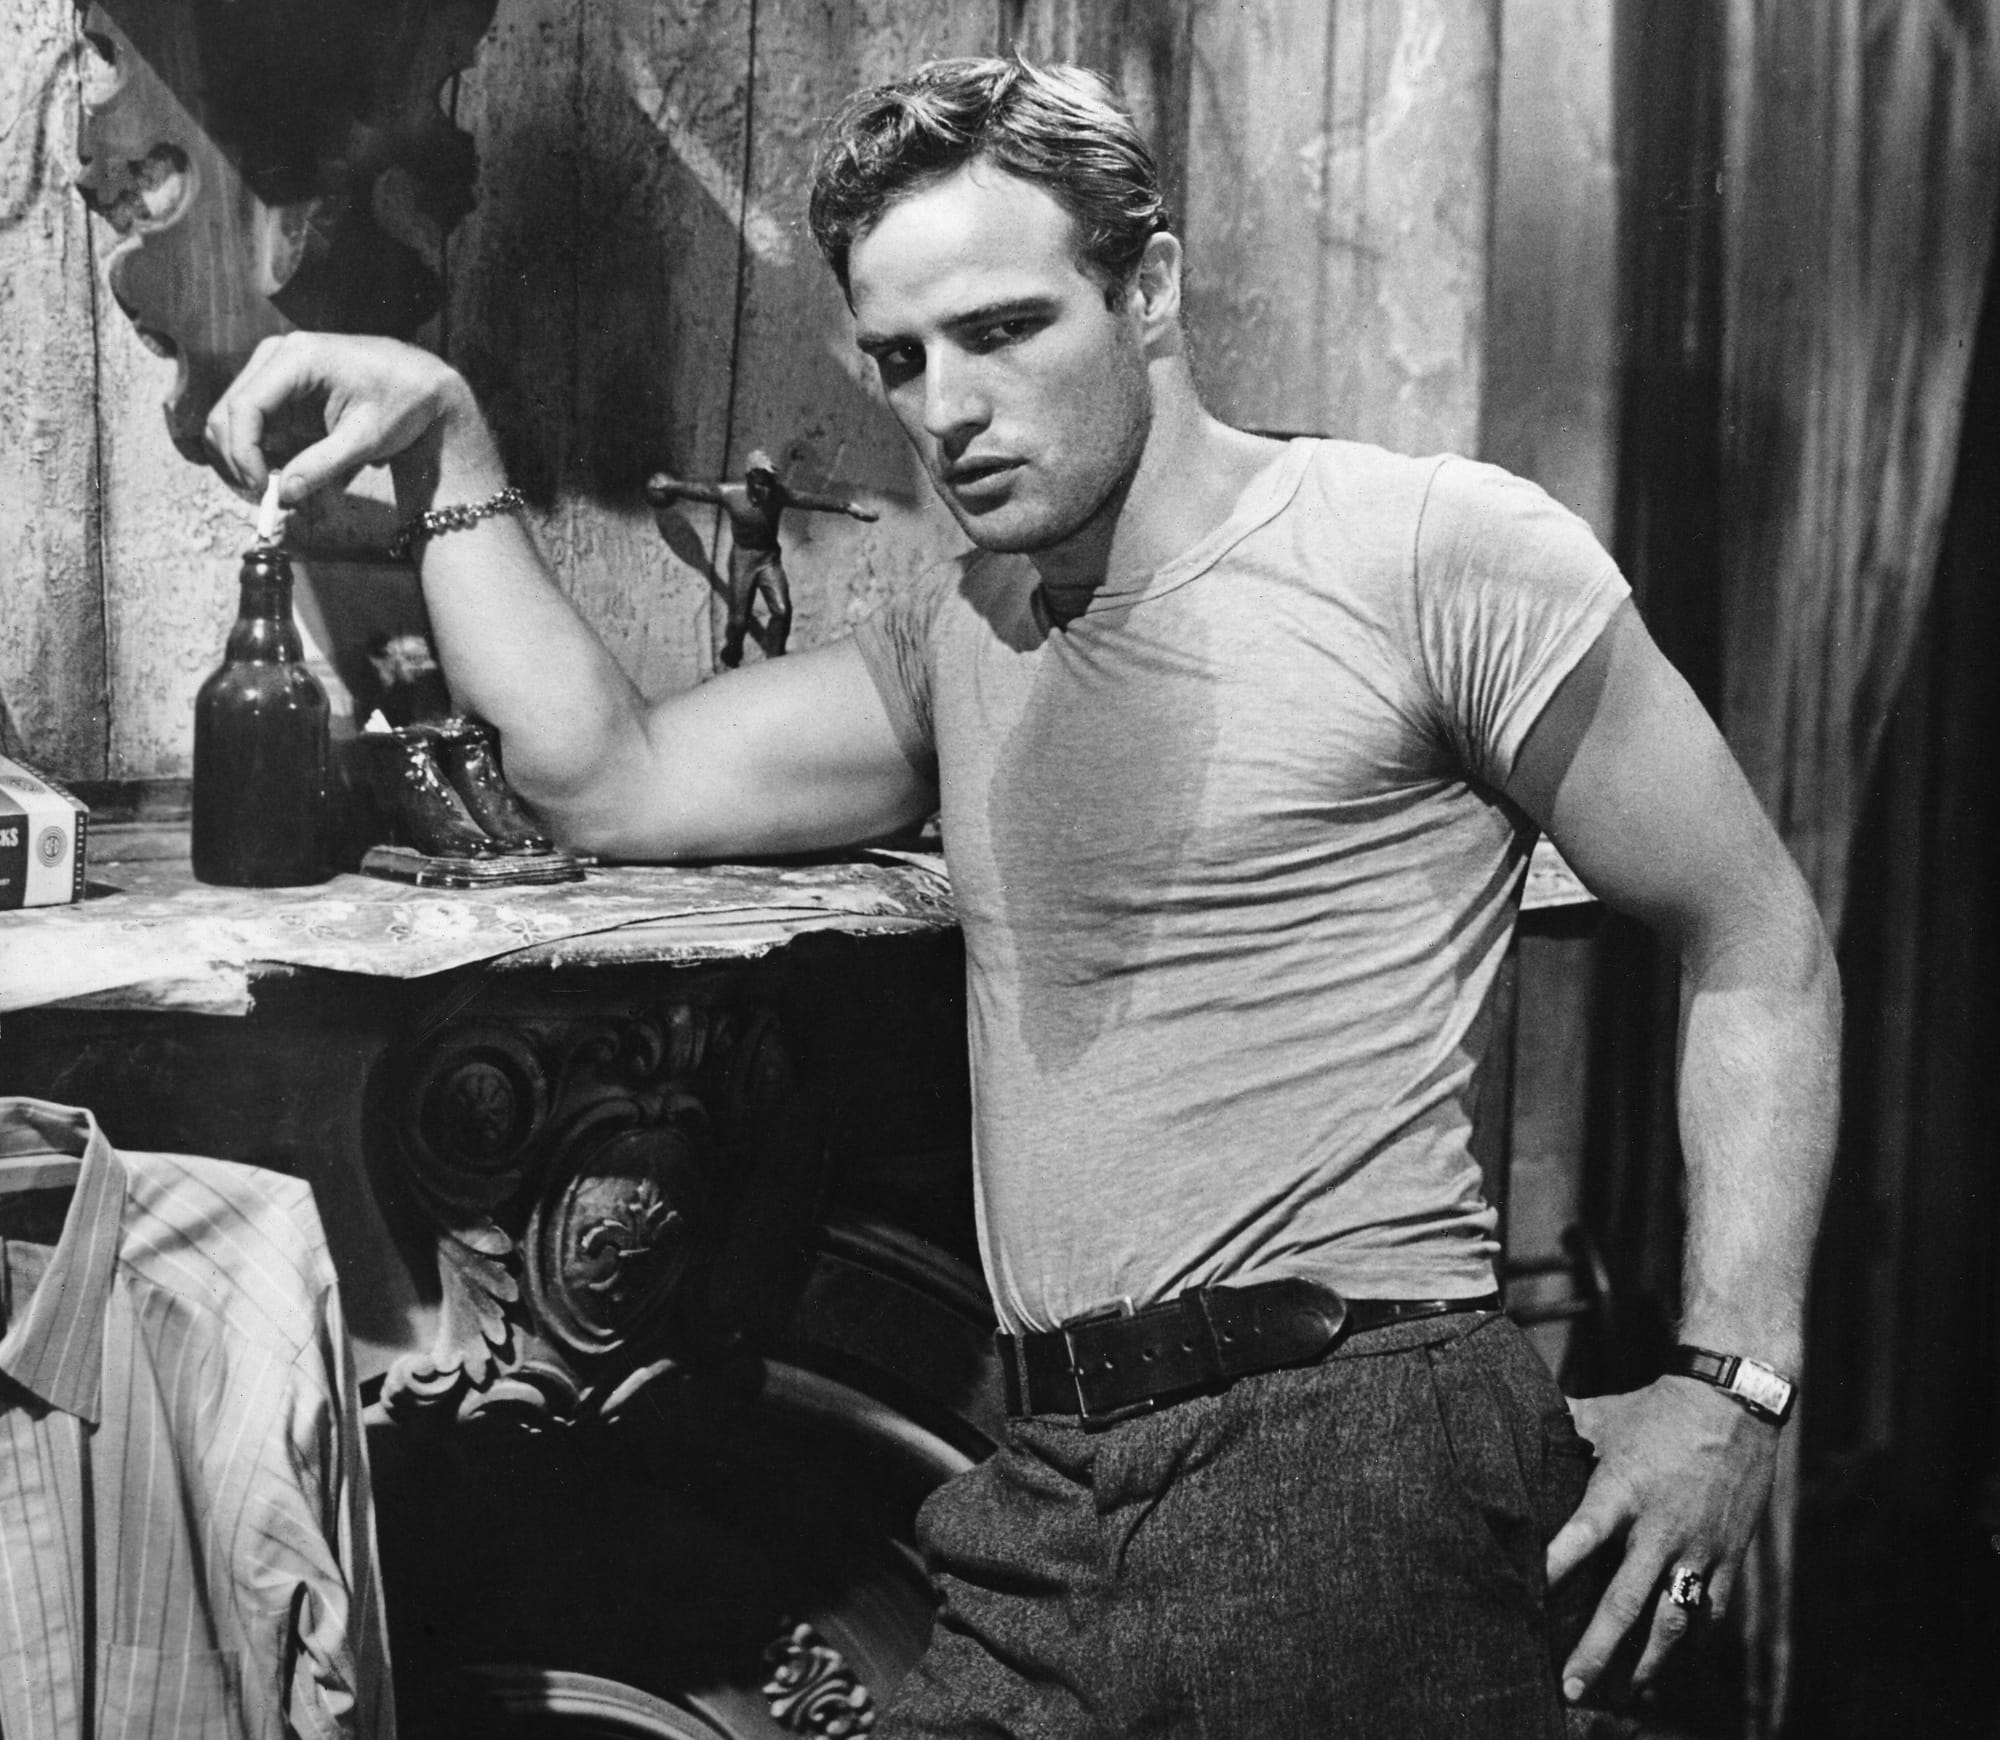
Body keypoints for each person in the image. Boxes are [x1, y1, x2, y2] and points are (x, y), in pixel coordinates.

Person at [205, 55, 1840, 1739]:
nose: (947, 409)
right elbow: (609, 777)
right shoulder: (970, 630)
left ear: (1150, 288)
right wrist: (448, 438)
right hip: (1046, 1487)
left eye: (1001, 330)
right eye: (902, 359)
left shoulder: (1433, 552)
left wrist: (1734, 1390)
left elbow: (1761, 940)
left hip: (1350, 1454)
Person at [644, 450, 880, 669]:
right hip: (743, 560)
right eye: (760, 484)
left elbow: (811, 500)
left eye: (768, 484)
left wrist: (848, 507)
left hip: (768, 560)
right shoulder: (731, 494)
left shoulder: (779, 495)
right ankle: (731, 656)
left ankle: (774, 661)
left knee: (782, 611)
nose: (765, 490)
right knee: (738, 621)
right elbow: (701, 491)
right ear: (749, 480)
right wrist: (670, 486)